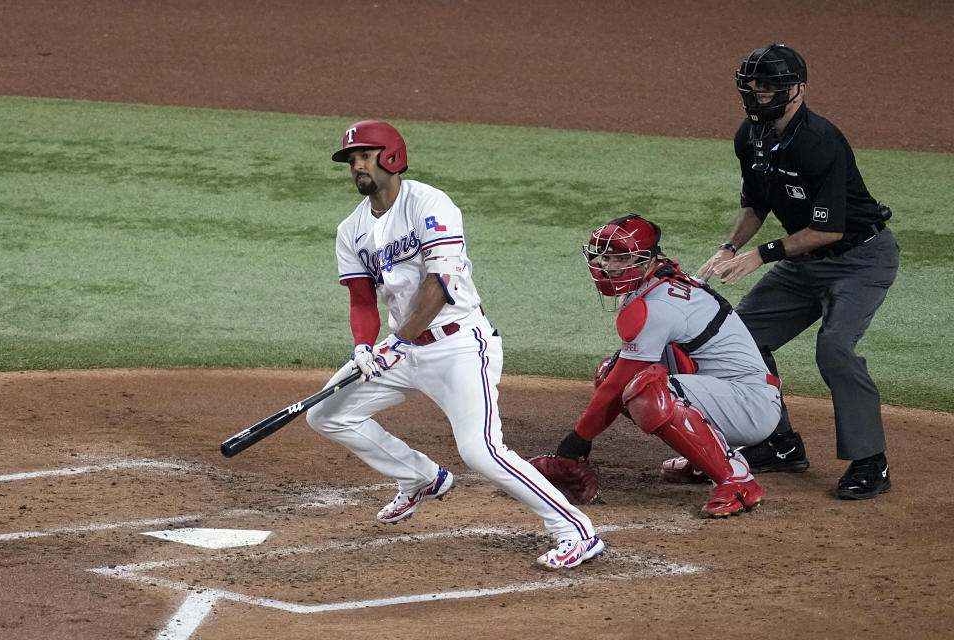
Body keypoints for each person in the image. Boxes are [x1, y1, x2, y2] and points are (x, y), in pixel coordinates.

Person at [306, 120, 603, 568]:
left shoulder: (429, 203)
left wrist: (397, 343)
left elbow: (439, 284)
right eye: (351, 160)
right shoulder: (352, 229)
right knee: (327, 413)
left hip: (459, 345)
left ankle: (576, 532)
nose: (357, 166)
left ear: (391, 156)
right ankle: (421, 477)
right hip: (402, 349)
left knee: (481, 450)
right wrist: (364, 347)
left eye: (365, 155)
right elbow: (361, 300)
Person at [695, 44, 899, 500]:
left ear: (798, 90)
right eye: (751, 84)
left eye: (770, 85)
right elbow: (757, 205)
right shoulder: (749, 137)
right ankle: (778, 443)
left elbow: (828, 230)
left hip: (859, 260)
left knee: (835, 348)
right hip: (803, 261)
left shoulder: (819, 140)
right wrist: (729, 246)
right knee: (742, 338)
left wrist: (759, 256)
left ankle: (871, 461)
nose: (758, 92)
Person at [551, 213, 783, 517]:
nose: (608, 266)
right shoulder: (657, 278)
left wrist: (577, 441)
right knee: (612, 372)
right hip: (726, 393)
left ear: (647, 258)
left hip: (750, 404)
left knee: (644, 390)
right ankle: (706, 460)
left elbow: (623, 381)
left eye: (620, 258)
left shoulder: (657, 304)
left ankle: (738, 482)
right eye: (605, 257)